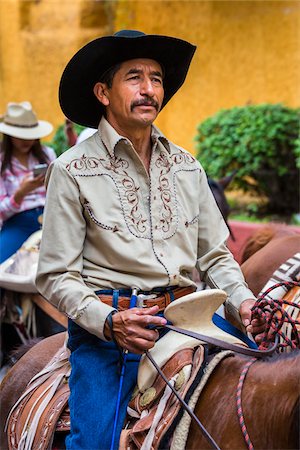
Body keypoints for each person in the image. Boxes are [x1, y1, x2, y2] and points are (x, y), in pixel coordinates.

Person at [36, 30, 265, 450]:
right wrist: (108, 322)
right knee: (95, 444)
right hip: (111, 333)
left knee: (268, 398)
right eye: (135, 77)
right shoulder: (72, 170)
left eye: (157, 79)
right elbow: (55, 275)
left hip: (191, 319)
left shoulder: (186, 166)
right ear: (103, 92)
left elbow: (215, 256)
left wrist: (244, 302)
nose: (149, 89)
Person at [0, 101, 55, 263]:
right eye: (21, 135)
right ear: (9, 135)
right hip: (18, 223)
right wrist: (20, 193)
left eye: (31, 135)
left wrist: (51, 183)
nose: (27, 140)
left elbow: (63, 193)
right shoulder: (2, 161)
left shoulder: (48, 154)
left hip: (52, 219)